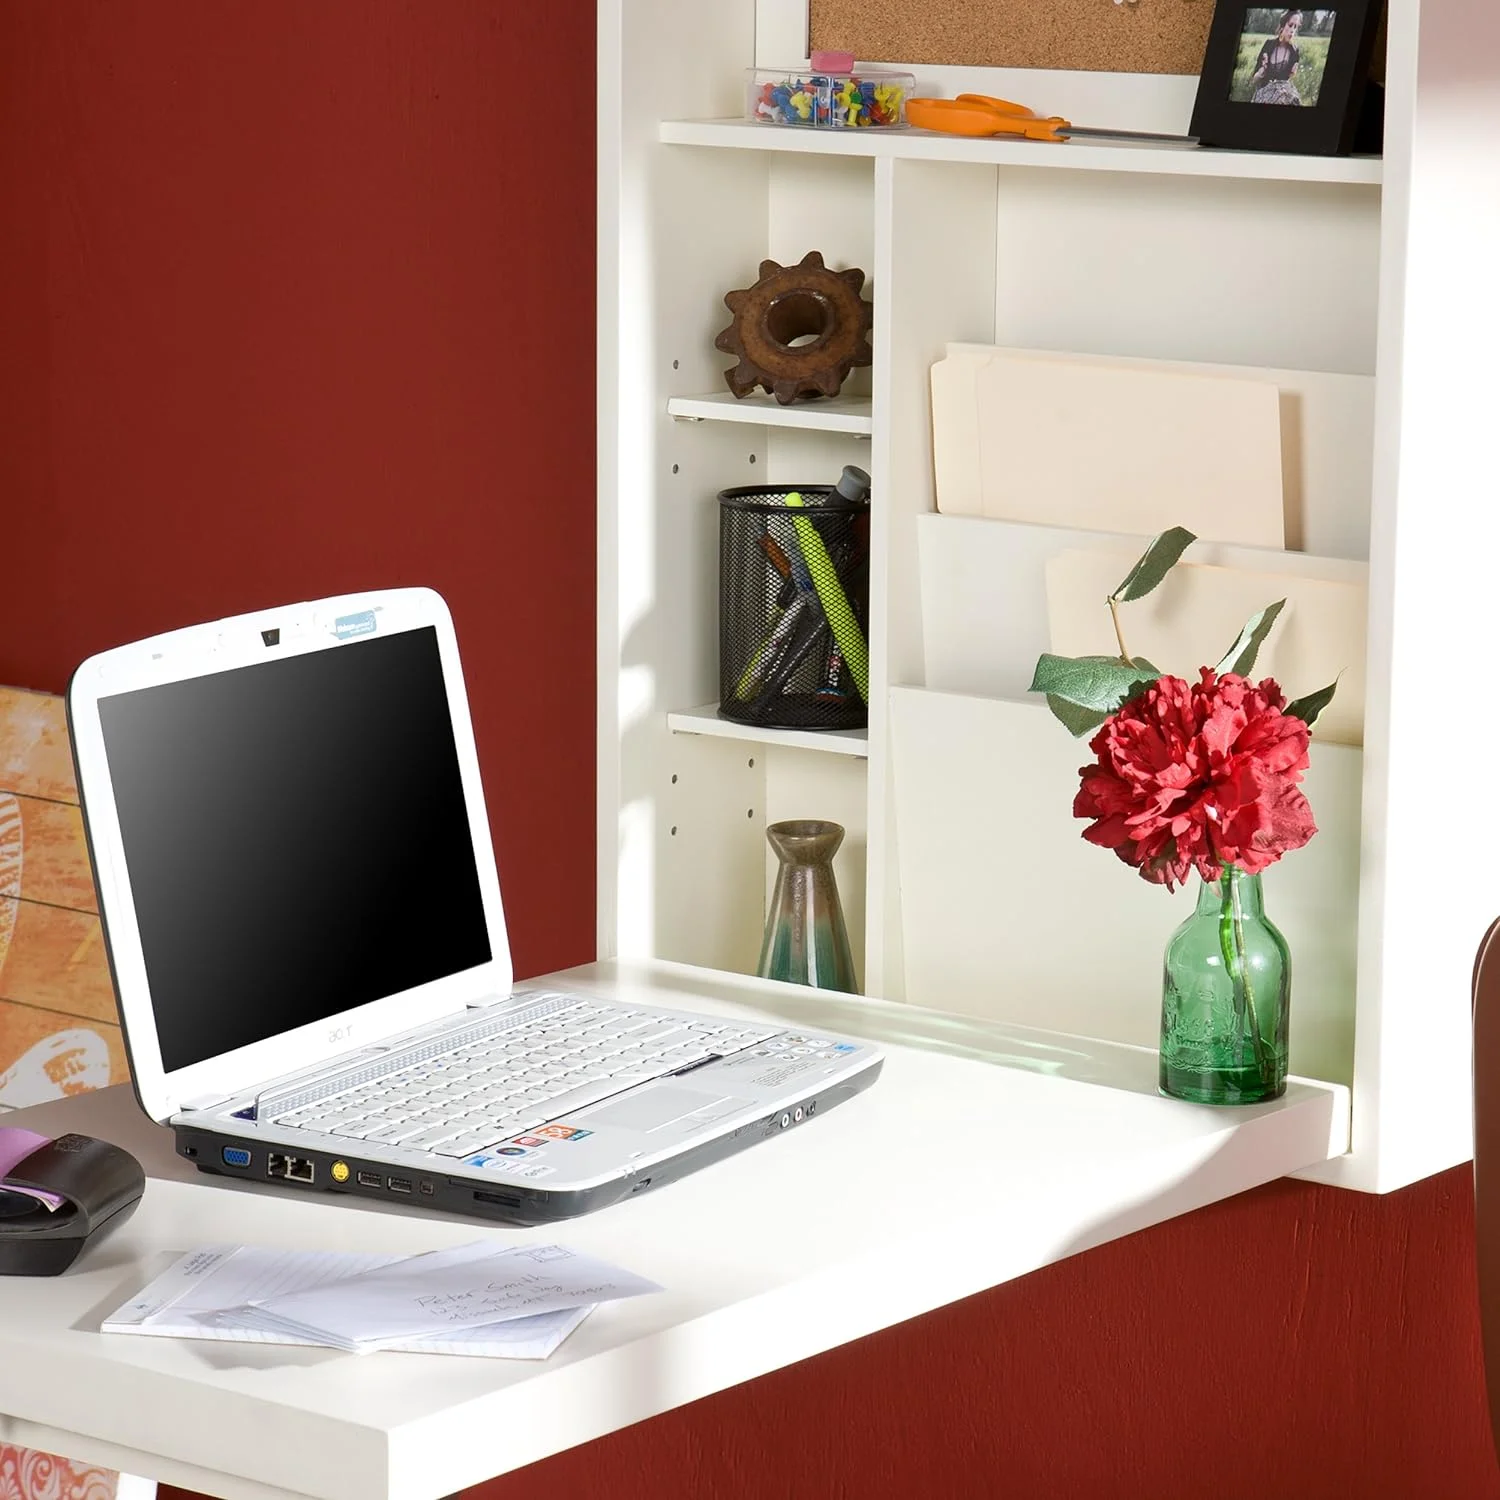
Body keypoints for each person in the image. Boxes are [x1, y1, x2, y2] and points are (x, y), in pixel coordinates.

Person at [1250, 10, 1305, 105]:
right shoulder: (1269, 45)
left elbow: (1287, 79)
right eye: (1290, 25)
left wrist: (1292, 74)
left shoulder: (1295, 51)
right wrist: (1260, 73)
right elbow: (1253, 80)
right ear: (1283, 26)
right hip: (1264, 96)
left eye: (1295, 27)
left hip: (1283, 98)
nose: (1292, 30)